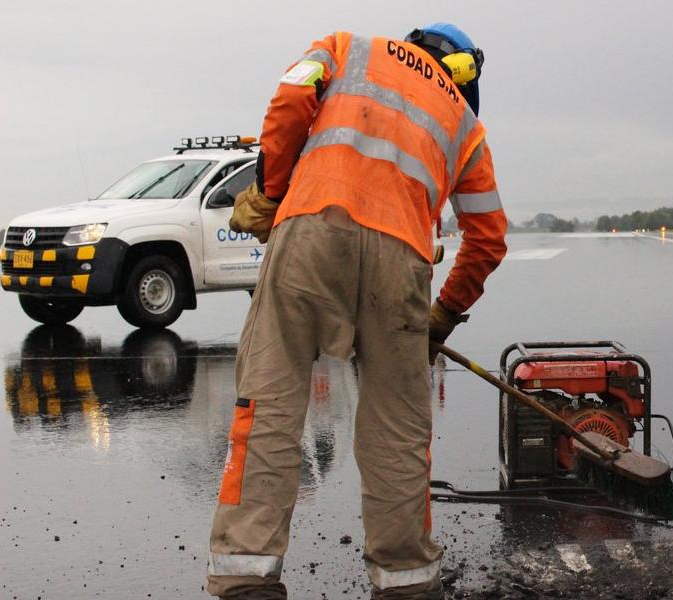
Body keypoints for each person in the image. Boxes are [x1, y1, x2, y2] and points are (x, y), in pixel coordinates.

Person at [208, 23, 507, 599]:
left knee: (270, 406)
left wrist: (271, 194)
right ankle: (406, 582)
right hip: (402, 261)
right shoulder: (465, 124)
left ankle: (246, 576)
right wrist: (443, 315)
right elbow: (488, 238)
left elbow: (292, 98)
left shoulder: (348, 48)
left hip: (311, 232)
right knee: (397, 429)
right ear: (463, 74)